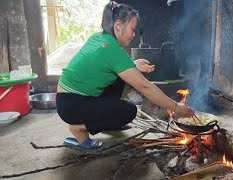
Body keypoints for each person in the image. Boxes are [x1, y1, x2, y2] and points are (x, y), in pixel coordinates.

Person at [56, 1, 195, 150]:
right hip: (73, 106)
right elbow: (145, 86)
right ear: (118, 26)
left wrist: (133, 65)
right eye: (132, 29)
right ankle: (80, 129)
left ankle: (109, 120)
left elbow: (105, 65)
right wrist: (176, 107)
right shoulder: (112, 50)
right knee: (129, 111)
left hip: (66, 100)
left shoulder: (100, 38)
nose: (134, 34)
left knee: (119, 79)